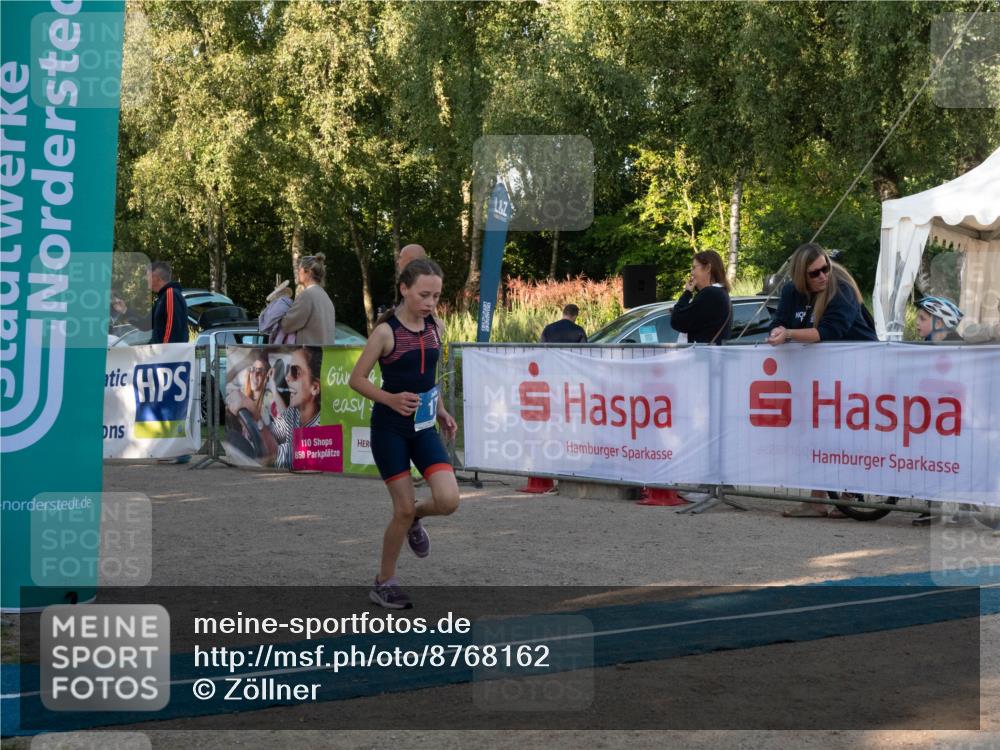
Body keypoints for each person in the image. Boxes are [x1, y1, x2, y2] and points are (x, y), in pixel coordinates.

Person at [349, 258, 460, 609]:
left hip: (424, 427)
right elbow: (357, 379)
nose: (430, 303)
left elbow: (428, 379)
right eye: (424, 295)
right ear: (404, 289)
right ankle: (384, 581)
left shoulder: (436, 327)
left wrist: (440, 409)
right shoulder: (386, 332)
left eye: (436, 296)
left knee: (448, 500)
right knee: (401, 507)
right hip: (390, 429)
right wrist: (390, 398)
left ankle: (417, 519)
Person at [767, 242, 878, 518]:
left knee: (850, 432)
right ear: (800, 275)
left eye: (825, 268)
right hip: (820, 374)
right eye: (814, 273)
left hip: (860, 367)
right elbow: (778, 322)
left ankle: (849, 493)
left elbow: (829, 332)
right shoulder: (791, 292)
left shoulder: (841, 289)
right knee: (817, 431)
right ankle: (817, 499)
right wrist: (778, 332)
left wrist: (789, 334)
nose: (822, 276)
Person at [260, 347, 322, 470]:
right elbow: (273, 433)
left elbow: (281, 456)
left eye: (295, 372)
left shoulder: (321, 425)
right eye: (288, 370)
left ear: (314, 388)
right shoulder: (293, 413)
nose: (287, 377)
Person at [112, 261, 189, 344]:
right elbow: (146, 324)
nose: (146, 278)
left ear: (156, 277)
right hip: (162, 352)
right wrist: (124, 310)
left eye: (147, 275)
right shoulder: (162, 298)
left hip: (168, 353)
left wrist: (163, 353)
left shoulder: (171, 294)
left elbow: (172, 328)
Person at [670, 250, 733, 344]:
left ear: (708, 268)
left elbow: (677, 321)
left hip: (703, 357)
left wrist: (687, 293)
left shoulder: (710, 294)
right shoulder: (721, 293)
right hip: (711, 356)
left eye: (694, 267)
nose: (692, 273)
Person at [280, 254, 337, 345]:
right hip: (324, 356)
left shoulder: (307, 296)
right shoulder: (326, 297)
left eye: (299, 269)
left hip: (309, 356)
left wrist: (278, 307)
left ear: (309, 272)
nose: (298, 272)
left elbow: (286, 325)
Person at [259, 279, 296, 345]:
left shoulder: (281, 303)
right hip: (287, 337)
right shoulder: (290, 303)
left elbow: (270, 319)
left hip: (282, 337)